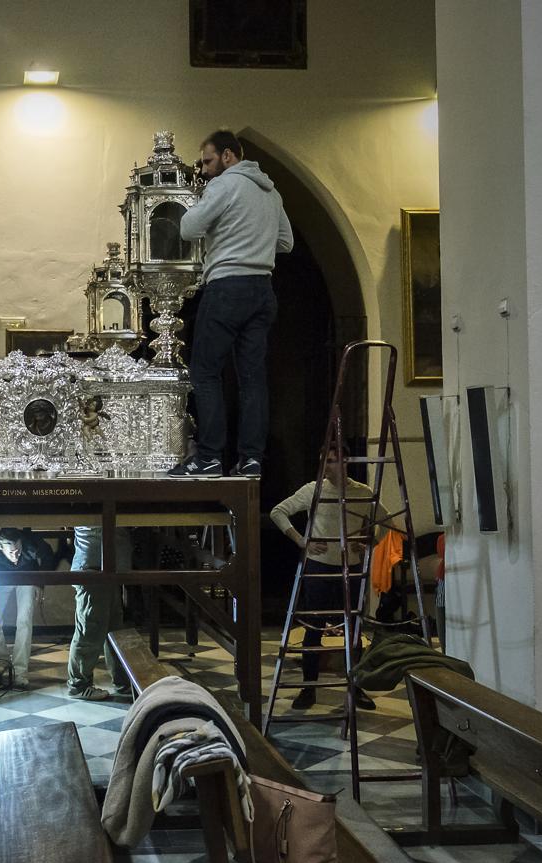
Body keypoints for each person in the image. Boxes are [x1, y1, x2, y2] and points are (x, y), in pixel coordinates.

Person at [170, 129, 293, 480]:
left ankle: (209, 457)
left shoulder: (224, 185)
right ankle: (251, 459)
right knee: (252, 378)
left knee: (206, 372)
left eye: (208, 161)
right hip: (262, 290)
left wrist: (218, 227)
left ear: (228, 156)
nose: (205, 169)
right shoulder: (271, 192)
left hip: (226, 287)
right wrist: (255, 240)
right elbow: (285, 242)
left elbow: (188, 228)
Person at [270, 447, 386, 711]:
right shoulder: (313, 489)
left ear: (345, 462)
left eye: (334, 461)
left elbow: (383, 519)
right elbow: (279, 511)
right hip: (319, 567)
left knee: (354, 631)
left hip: (351, 568)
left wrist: (369, 541)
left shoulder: (362, 492)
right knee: (314, 628)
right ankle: (308, 689)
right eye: (326, 461)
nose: (329, 466)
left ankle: (355, 688)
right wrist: (302, 541)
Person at [0, 528, 55, 689]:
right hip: (1, 576)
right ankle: (1, 664)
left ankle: (20, 672)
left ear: (22, 544)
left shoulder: (31, 543)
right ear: (0, 548)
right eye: (11, 552)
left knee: (25, 621)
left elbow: (49, 556)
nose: (16, 555)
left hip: (28, 576)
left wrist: (39, 582)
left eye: (18, 550)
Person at [66, 526, 132, 701]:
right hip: (94, 569)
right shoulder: (94, 502)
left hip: (103, 568)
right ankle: (78, 686)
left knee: (113, 630)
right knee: (89, 631)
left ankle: (123, 682)